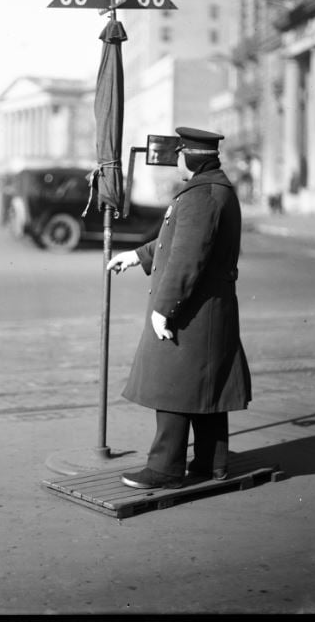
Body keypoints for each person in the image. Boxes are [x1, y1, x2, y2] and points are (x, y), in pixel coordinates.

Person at [107, 127, 251, 489]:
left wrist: (164, 309)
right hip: (209, 311)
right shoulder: (213, 190)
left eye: (180, 157)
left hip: (191, 310)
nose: (176, 166)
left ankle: (165, 469)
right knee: (207, 388)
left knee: (172, 385)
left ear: (192, 157)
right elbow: (174, 241)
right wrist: (137, 255)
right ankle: (211, 464)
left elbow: (188, 258)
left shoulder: (202, 196)